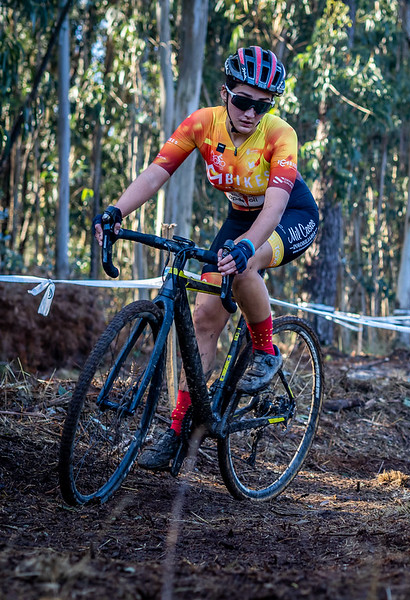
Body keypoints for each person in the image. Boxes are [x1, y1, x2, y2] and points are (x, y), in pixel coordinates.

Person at [93, 46, 318, 471]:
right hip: (241, 216)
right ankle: (179, 430)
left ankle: (265, 348)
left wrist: (248, 247)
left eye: (263, 104)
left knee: (245, 264)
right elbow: (158, 170)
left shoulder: (279, 134)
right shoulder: (202, 123)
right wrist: (116, 211)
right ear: (225, 93)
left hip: (289, 214)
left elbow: (271, 210)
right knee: (204, 318)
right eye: (243, 100)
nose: (252, 112)